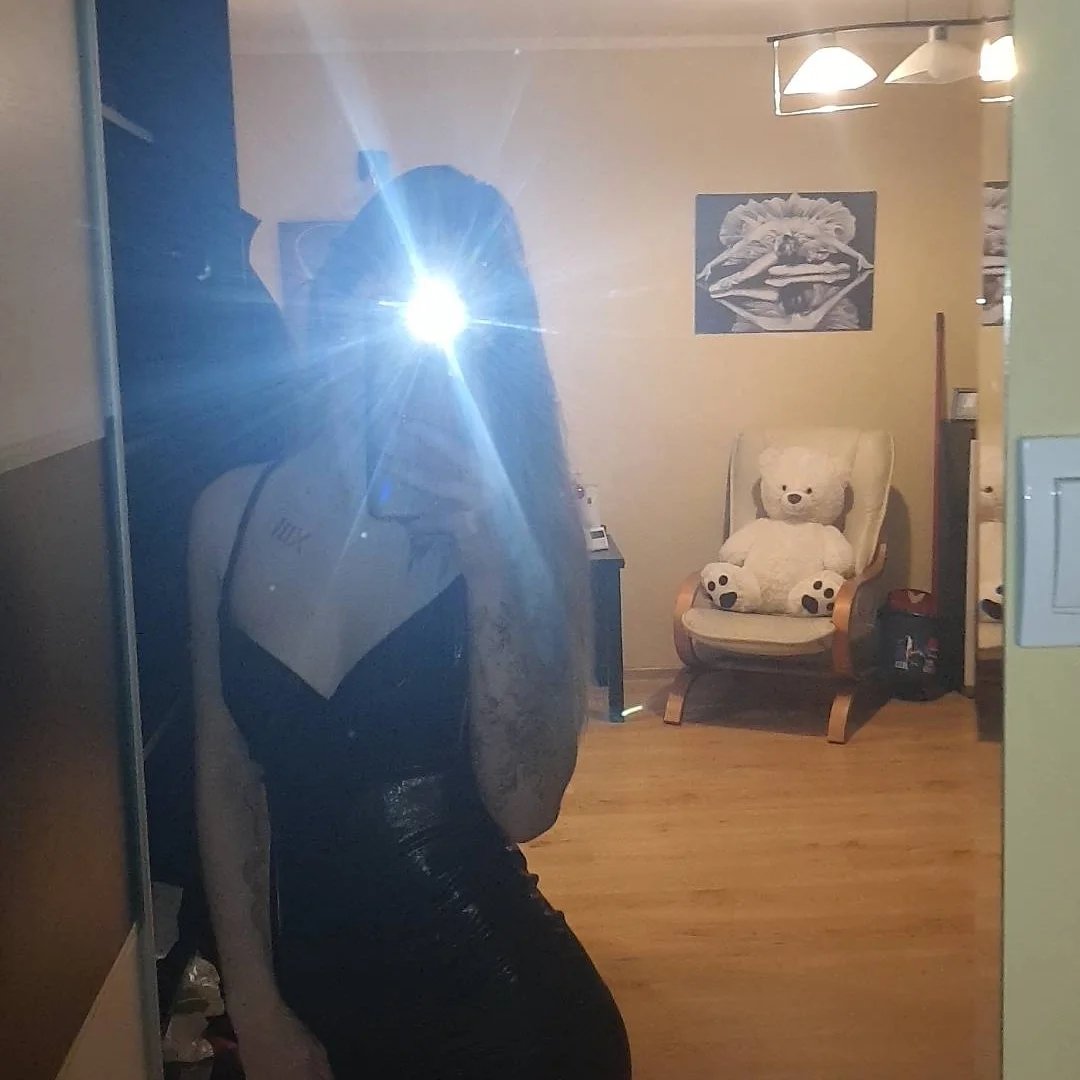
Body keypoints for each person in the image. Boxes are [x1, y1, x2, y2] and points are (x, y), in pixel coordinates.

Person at [189, 165, 631, 1079]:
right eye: (384, 301)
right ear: (338, 311)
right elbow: (225, 774)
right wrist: (255, 1007)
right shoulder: (226, 516)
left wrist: (491, 554)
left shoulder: (521, 522)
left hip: (512, 1020)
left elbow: (524, 807)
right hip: (310, 1008)